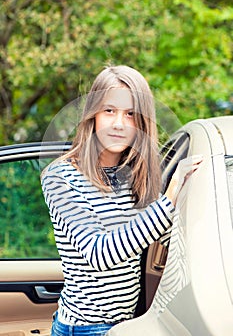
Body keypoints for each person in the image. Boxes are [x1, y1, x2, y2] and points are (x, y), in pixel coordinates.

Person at [41, 65, 203, 336]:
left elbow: (165, 239)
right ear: (92, 115)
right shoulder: (60, 178)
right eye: (109, 111)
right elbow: (99, 254)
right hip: (82, 329)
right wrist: (171, 194)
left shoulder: (133, 179)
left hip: (127, 325)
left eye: (130, 114)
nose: (119, 124)